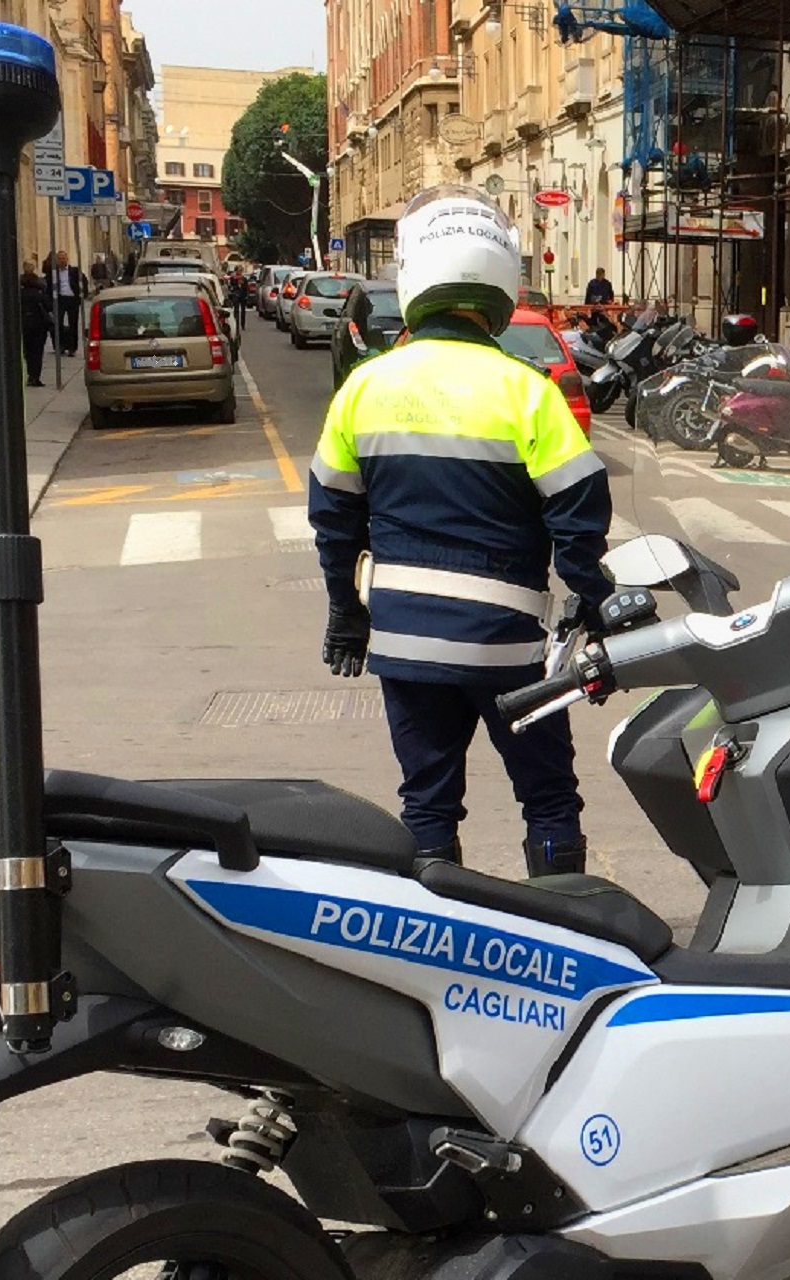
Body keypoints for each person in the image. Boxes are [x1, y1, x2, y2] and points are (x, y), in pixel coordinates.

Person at [308, 185, 614, 875]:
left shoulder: (364, 387)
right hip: (507, 647)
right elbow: (580, 510)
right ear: (501, 284)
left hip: (406, 641)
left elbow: (332, 518)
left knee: (427, 805)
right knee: (548, 797)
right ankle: (565, 929)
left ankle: (439, 941)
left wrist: (343, 615)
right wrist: (593, 598)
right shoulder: (527, 390)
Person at [46, 249, 88, 356]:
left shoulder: (74, 271)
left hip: (72, 299)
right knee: (57, 323)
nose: (61, 261)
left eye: (63, 258)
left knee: (73, 323)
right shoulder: (53, 273)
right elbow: (49, 287)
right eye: (59, 259)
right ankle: (60, 346)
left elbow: (83, 282)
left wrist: (82, 296)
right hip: (59, 299)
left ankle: (72, 348)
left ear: (67, 259)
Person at [20, 261, 54, 388]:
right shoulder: (39, 291)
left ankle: (30, 375)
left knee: (27, 352)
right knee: (37, 352)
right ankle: (35, 376)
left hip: (24, 324)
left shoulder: (19, 292)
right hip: (39, 325)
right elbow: (49, 306)